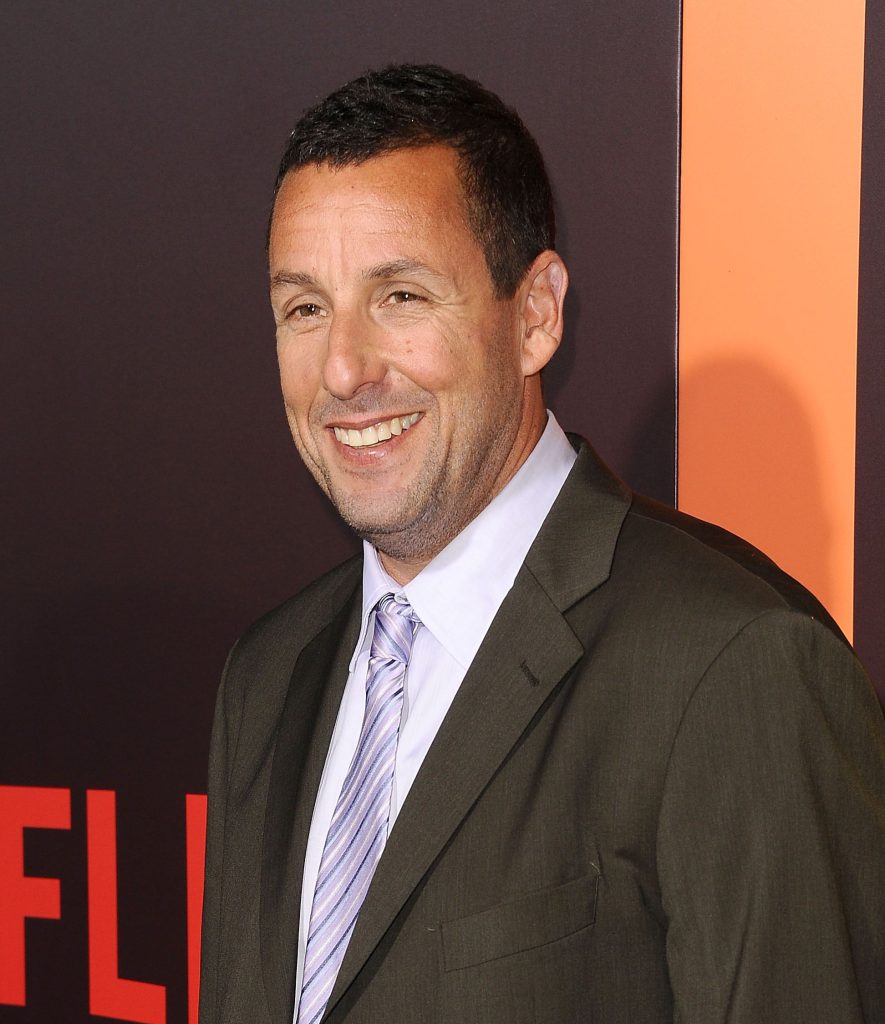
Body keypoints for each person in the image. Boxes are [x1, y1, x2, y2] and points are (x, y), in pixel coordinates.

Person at [198, 64, 885, 1024]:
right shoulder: (268, 675)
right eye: (304, 308)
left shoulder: (732, 666)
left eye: (401, 296)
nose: (343, 370)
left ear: (535, 315)